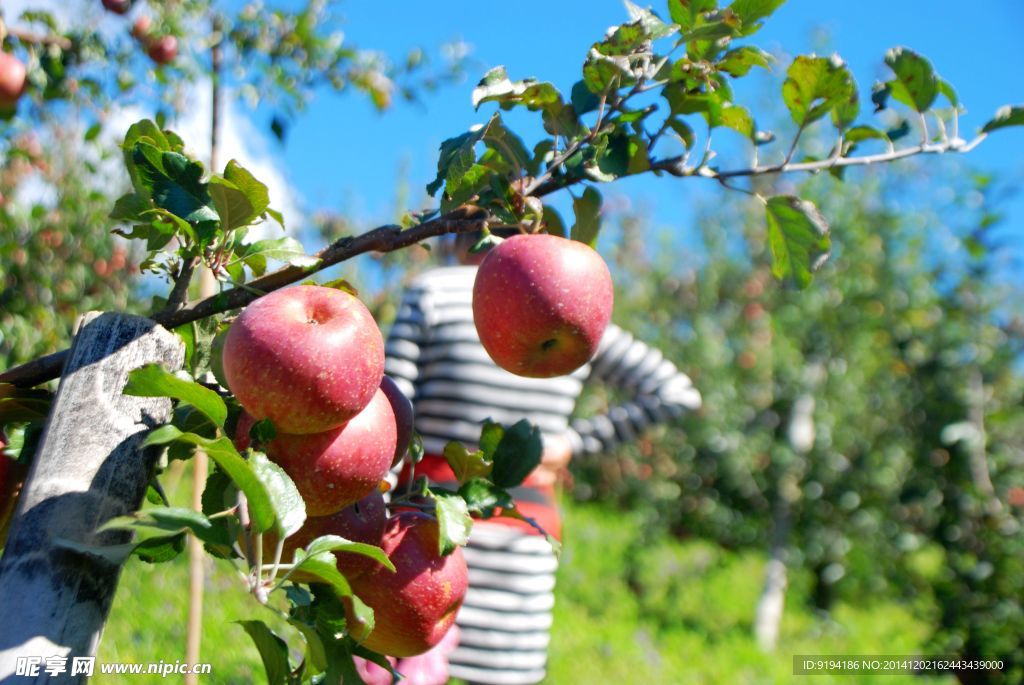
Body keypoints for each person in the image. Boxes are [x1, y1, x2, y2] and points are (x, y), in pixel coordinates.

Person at [383, 231, 701, 685]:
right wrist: (573, 443)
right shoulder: (574, 304)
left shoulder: (433, 292)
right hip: (523, 544)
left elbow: (392, 414)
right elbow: (676, 391)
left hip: (422, 536)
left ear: (456, 229)